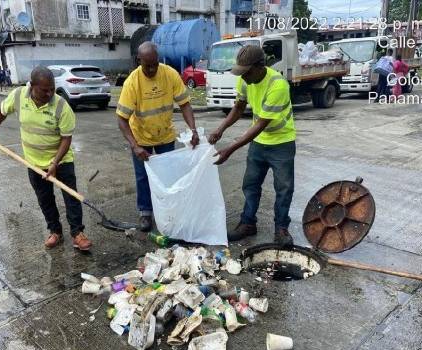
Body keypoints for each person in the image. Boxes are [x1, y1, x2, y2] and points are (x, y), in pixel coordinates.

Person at [0, 66, 92, 251]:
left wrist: (54, 163)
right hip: (33, 162)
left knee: (70, 197)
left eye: (52, 88)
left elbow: (66, 139)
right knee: (44, 198)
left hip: (61, 159)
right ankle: (55, 231)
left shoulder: (60, 105)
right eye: (44, 90)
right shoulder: (18, 96)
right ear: (31, 86)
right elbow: (1, 112)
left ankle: (77, 233)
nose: (49, 93)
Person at [209, 45, 296, 246]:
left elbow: (260, 125)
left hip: (281, 143)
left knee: (284, 188)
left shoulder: (278, 85)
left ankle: (281, 228)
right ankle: (248, 223)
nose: (243, 77)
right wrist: (220, 128)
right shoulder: (246, 80)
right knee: (250, 185)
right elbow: (239, 107)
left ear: (259, 66)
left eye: (246, 72)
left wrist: (229, 149)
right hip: (259, 143)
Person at [116, 41, 199, 232]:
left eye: (155, 64)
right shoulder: (132, 82)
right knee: (143, 177)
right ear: (139, 61)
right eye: (147, 65)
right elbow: (121, 119)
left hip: (165, 135)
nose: (152, 69)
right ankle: (146, 212)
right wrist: (135, 146)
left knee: (167, 176)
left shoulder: (169, 74)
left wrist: (193, 130)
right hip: (141, 137)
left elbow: (185, 104)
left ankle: (168, 211)